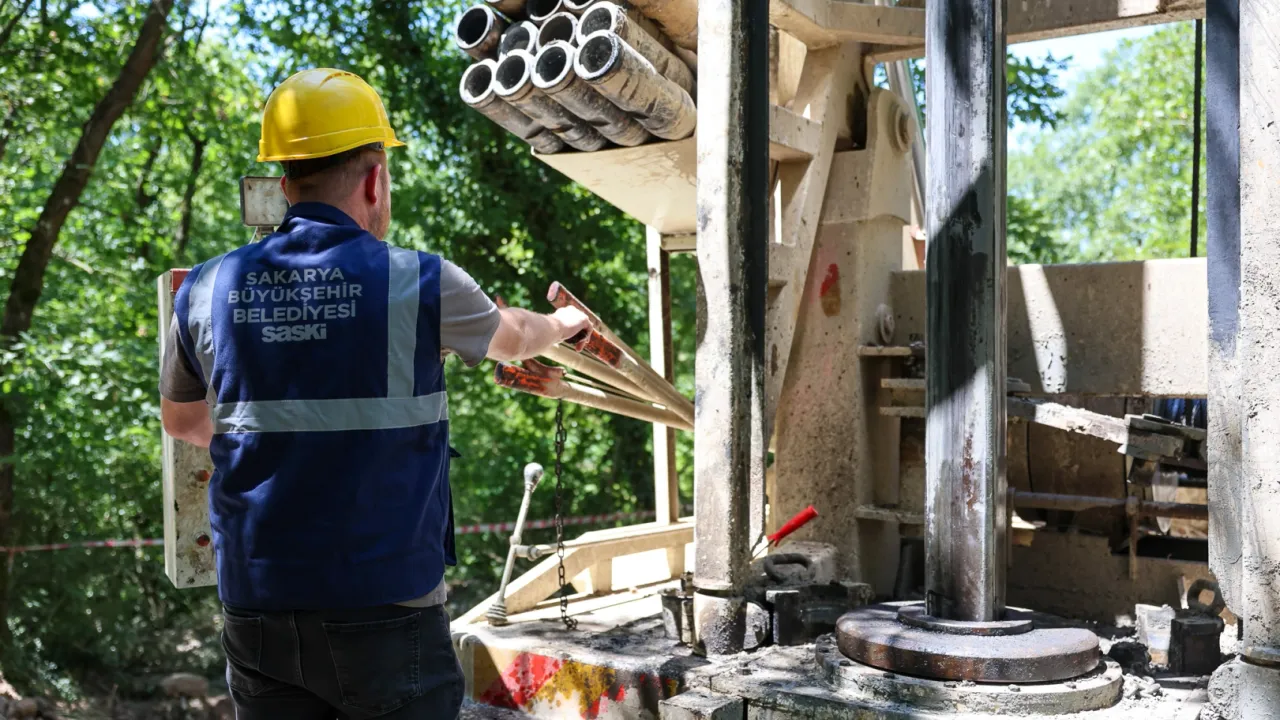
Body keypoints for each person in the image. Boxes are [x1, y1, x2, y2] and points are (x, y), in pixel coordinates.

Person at [158, 68, 590, 720]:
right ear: (374, 179)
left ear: (284, 186)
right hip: (386, 607)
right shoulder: (419, 281)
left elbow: (182, 420)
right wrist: (562, 322)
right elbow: (514, 338)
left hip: (258, 606)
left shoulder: (206, 287)